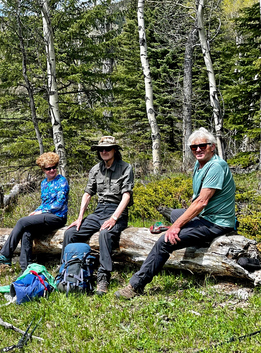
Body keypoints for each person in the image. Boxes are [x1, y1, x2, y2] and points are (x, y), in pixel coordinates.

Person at [115, 128, 236, 299]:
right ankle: (172, 225)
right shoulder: (199, 164)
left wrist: (176, 227)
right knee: (174, 214)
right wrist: (178, 221)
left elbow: (202, 202)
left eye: (202, 146)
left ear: (212, 147)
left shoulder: (216, 166)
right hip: (206, 216)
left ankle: (136, 286)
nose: (198, 150)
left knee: (165, 241)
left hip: (216, 222)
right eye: (194, 147)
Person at [62, 136, 134, 296]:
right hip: (99, 210)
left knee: (105, 233)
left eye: (108, 149)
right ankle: (67, 271)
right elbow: (88, 193)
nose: (104, 152)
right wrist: (80, 217)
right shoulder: (95, 169)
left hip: (118, 211)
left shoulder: (125, 168)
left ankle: (103, 277)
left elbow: (126, 196)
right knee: (70, 233)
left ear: (115, 150)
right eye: (101, 149)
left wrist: (114, 218)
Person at [0, 152, 69, 271]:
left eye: (54, 167)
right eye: (48, 168)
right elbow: (44, 203)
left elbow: (59, 204)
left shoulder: (62, 181)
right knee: (27, 232)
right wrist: (36, 211)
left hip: (58, 217)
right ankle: (25, 268)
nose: (52, 170)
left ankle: (5, 254)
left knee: (21, 222)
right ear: (43, 169)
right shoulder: (44, 183)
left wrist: (41, 212)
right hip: (46, 216)